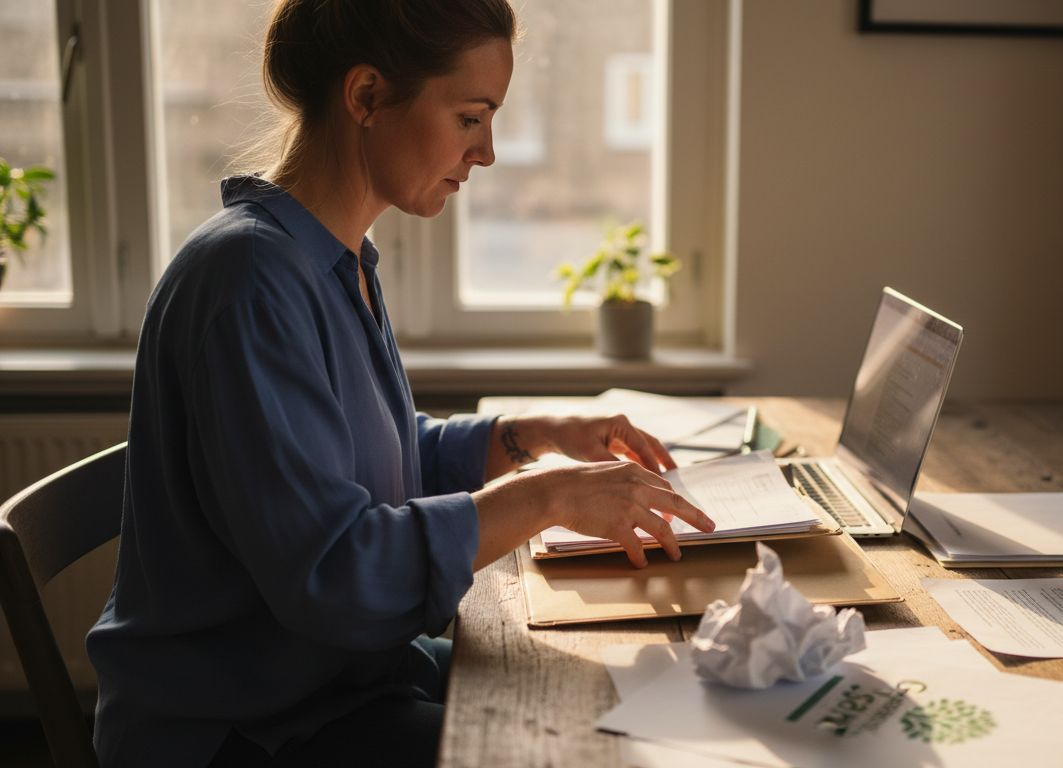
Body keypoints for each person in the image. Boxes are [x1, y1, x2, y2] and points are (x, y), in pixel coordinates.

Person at [85, 1, 714, 766]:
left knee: (630, 693)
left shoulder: (333, 260)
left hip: (337, 687)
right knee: (587, 742)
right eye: (470, 117)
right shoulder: (247, 281)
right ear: (367, 97)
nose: (487, 152)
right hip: (240, 730)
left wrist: (529, 438)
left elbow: (367, 456)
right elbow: (332, 571)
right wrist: (545, 497)